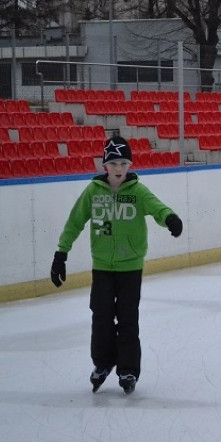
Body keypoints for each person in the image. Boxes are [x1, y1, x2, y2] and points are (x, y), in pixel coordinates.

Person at [50, 136, 183, 394]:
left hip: (130, 268)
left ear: (130, 164)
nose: (119, 168)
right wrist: (61, 254)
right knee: (100, 318)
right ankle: (102, 364)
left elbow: (157, 208)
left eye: (123, 162)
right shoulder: (92, 192)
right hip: (102, 268)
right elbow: (74, 222)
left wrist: (170, 218)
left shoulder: (138, 191)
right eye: (113, 163)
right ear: (105, 167)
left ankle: (128, 370)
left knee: (127, 320)